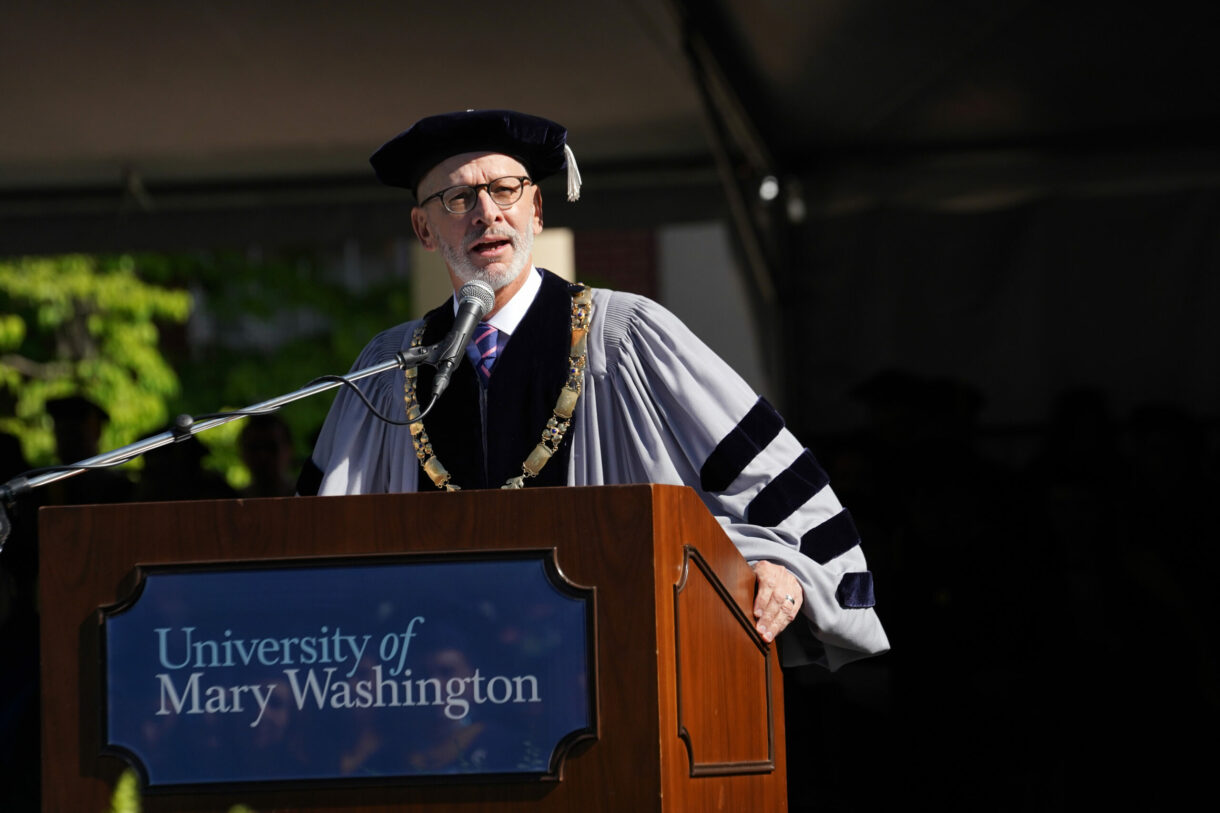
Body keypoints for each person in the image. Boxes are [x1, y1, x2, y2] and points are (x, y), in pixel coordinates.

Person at [299, 110, 888, 669]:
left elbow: (766, 483)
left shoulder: (627, 338)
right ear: (424, 229)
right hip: (436, 690)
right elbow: (317, 542)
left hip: (612, 664)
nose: (486, 212)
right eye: (457, 198)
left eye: (505, 189)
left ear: (537, 209)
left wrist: (779, 564)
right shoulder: (387, 367)